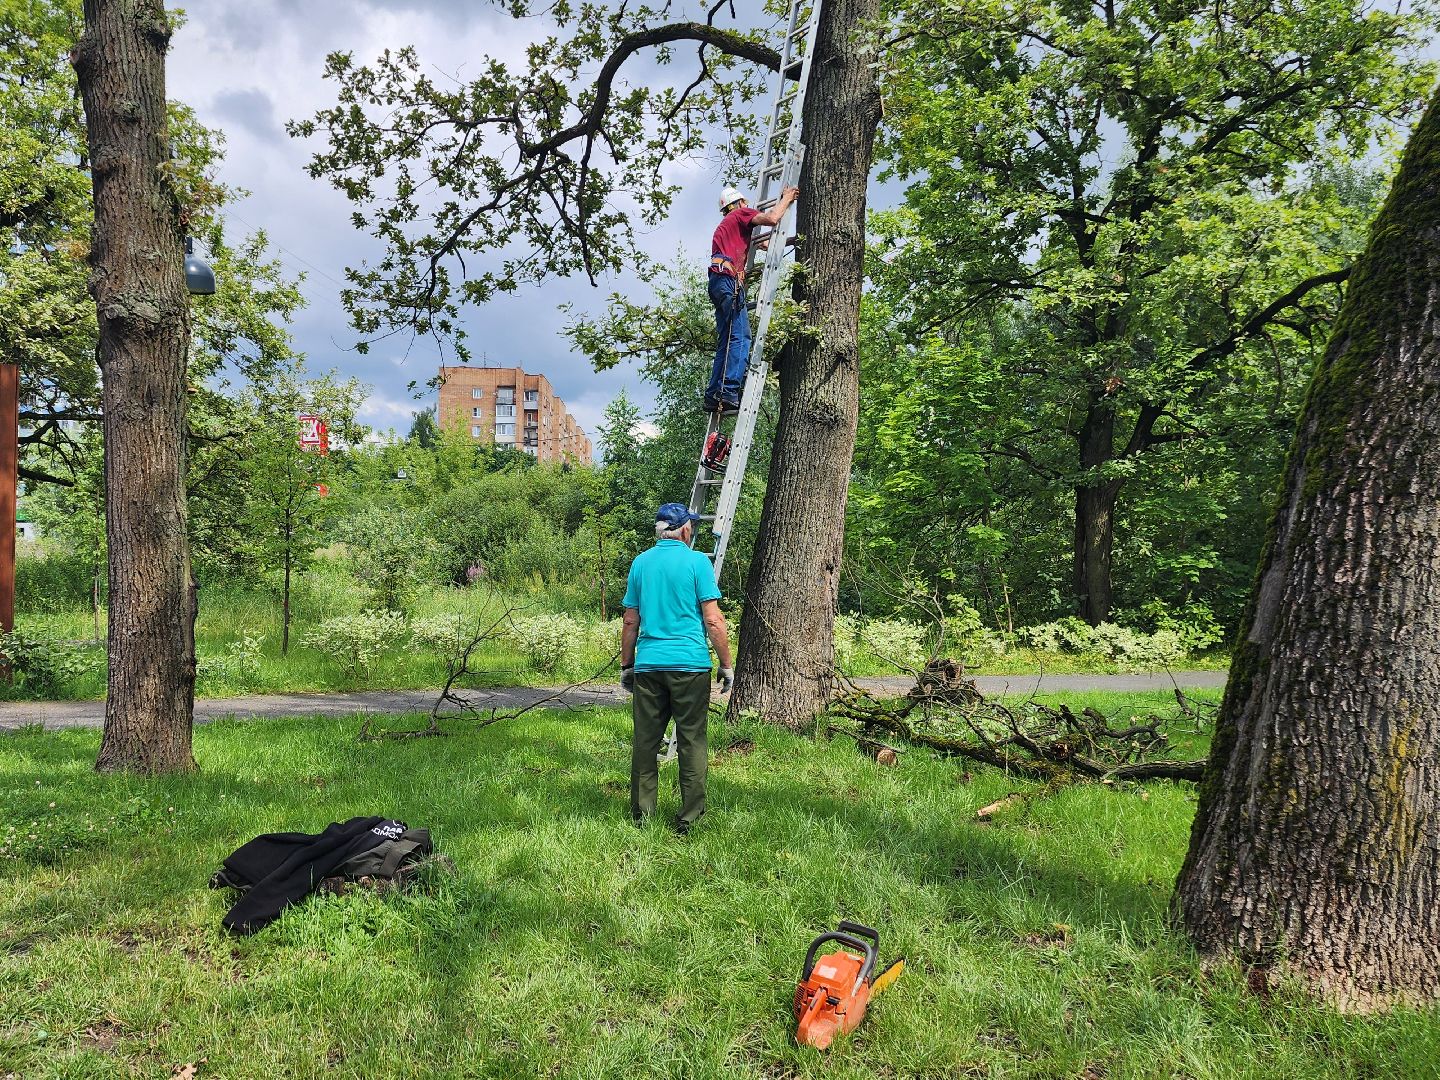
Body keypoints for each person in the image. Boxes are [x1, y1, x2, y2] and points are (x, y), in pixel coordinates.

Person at [619, 502, 734, 834]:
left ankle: (642, 818)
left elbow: (630, 621)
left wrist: (627, 665)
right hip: (690, 666)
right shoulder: (698, 562)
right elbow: (714, 620)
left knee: (646, 742)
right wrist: (726, 665)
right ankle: (689, 819)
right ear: (684, 529)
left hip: (650, 666)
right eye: (691, 526)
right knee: (692, 740)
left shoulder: (641, 563)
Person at [704, 183, 799, 412]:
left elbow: (765, 244)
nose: (748, 206)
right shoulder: (740, 214)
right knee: (741, 337)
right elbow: (772, 218)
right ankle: (729, 391)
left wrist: (791, 241)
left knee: (727, 340)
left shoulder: (727, 227)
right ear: (738, 203)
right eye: (744, 203)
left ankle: (713, 395)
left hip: (717, 282)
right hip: (728, 280)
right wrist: (787, 198)